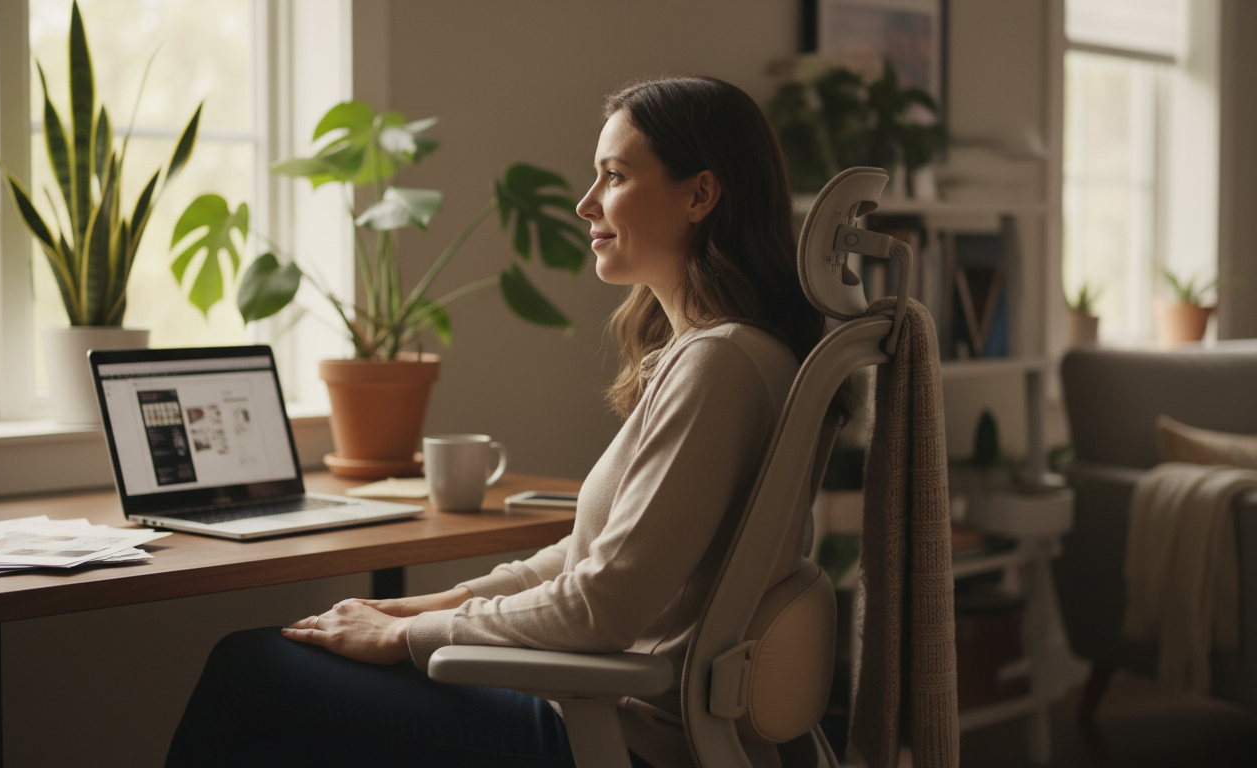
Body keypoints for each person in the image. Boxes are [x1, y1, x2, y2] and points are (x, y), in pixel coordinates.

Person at [166, 75, 831, 768]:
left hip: (617, 737)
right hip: (609, 713)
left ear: (700, 194)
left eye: (613, 175)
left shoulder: (717, 364)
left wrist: (409, 634)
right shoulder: (733, 354)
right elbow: (587, 558)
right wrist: (427, 605)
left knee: (250, 669)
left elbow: (599, 608)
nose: (585, 203)